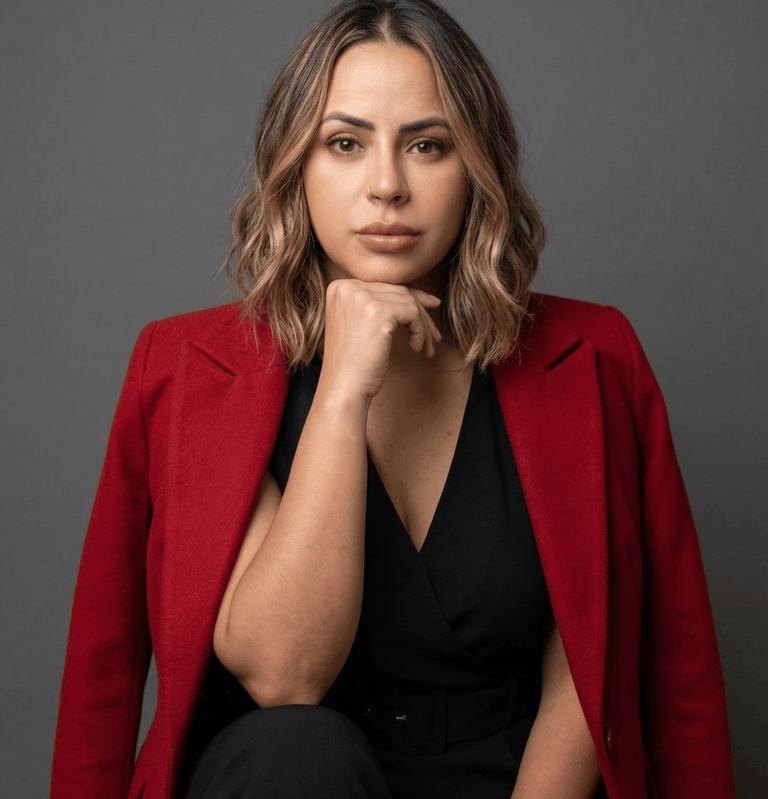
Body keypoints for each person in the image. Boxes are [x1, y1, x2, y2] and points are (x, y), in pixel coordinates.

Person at [50, 1, 736, 798]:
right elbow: (264, 673)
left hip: (512, 780)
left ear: (477, 167)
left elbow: (638, 666)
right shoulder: (187, 369)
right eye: (345, 143)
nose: (386, 186)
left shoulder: (593, 359)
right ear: (295, 164)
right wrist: (343, 388)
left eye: (427, 145)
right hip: (288, 781)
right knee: (295, 747)